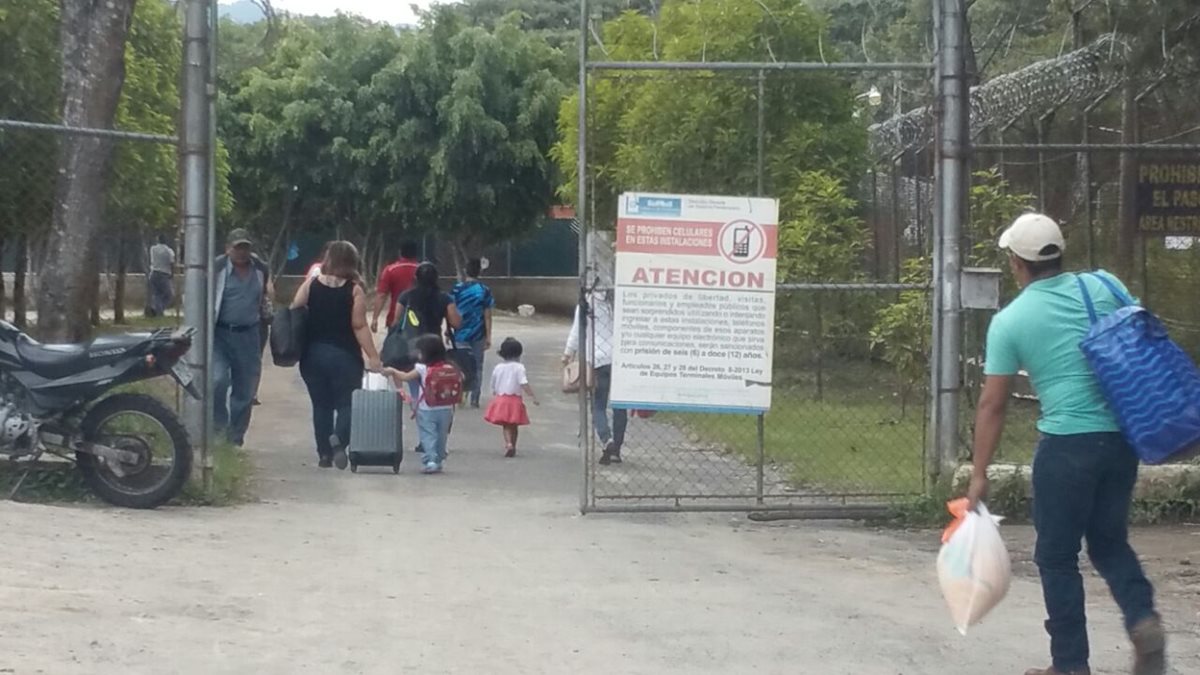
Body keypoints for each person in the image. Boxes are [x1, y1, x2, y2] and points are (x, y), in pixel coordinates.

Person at [965, 213, 1165, 675]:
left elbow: (992, 405)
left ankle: (1070, 666)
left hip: (1067, 446)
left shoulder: (1011, 321)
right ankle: (1143, 619)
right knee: (1110, 544)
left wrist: (979, 473)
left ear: (1017, 263)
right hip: (1122, 439)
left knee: (1056, 556)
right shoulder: (1105, 286)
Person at [290, 241, 382, 470]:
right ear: (352, 262)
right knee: (346, 404)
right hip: (345, 356)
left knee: (321, 406)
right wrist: (373, 355)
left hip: (313, 355)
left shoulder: (311, 285)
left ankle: (324, 455)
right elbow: (359, 325)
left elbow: (294, 310)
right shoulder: (354, 289)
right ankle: (339, 440)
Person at [213, 229, 270, 447]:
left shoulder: (260, 268)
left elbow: (265, 294)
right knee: (218, 380)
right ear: (228, 248)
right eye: (237, 247)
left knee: (245, 391)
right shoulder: (217, 268)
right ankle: (218, 429)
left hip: (249, 334)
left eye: (245, 247)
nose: (241, 252)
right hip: (220, 333)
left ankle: (234, 439)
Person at [563, 285, 626, 465]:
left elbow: (577, 330)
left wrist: (568, 353)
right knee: (620, 406)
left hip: (596, 359)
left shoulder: (586, 302)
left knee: (598, 405)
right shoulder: (618, 301)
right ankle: (617, 450)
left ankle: (607, 440)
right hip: (619, 358)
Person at [383, 334, 459, 474]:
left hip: (426, 408)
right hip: (446, 408)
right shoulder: (450, 365)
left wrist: (392, 370)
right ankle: (439, 459)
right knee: (442, 435)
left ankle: (430, 460)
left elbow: (404, 377)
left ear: (424, 353)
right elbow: (461, 378)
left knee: (428, 435)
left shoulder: (422, 368)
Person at [451, 258, 495, 408]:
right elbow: (487, 315)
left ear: (465, 271)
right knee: (477, 366)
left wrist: (447, 329)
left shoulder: (457, 289)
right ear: (479, 272)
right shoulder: (484, 290)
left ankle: (460, 394)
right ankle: (475, 398)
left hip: (460, 333)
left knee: (459, 365)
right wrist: (489, 336)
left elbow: (451, 311)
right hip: (478, 333)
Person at [484, 337, 539, 458]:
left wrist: (493, 392)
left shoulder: (498, 367)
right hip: (515, 400)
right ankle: (513, 444)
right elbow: (523, 383)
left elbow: (493, 382)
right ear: (519, 353)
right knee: (514, 424)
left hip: (501, 398)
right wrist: (532, 396)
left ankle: (508, 443)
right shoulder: (519, 367)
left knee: (506, 425)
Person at [371, 240, 421, 333]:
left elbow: (381, 296)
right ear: (416, 253)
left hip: (395, 319)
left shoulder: (390, 270)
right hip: (420, 319)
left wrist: (375, 318)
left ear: (400, 252)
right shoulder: (422, 270)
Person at [145, 235, 175, 318]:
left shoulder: (153, 249)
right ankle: (159, 310)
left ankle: (157, 310)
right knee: (169, 295)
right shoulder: (169, 251)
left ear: (157, 240)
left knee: (157, 294)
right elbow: (172, 263)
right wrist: (172, 273)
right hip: (164, 274)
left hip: (154, 273)